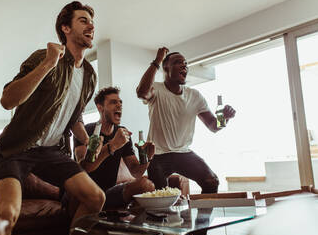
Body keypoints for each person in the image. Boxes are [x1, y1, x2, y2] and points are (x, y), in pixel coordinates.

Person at [0, 1, 105, 235]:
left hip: (52, 151)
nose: (91, 26)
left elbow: (74, 118)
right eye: (83, 21)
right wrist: (48, 64)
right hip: (16, 148)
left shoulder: (90, 76)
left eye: (92, 23)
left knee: (96, 197)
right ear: (66, 28)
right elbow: (7, 100)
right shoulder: (45, 57)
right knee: (6, 214)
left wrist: (90, 140)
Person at [136, 47, 236, 194]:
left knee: (211, 181)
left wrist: (225, 118)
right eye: (177, 62)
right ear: (166, 68)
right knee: (163, 195)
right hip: (158, 155)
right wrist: (157, 60)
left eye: (186, 63)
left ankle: (202, 218)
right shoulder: (156, 89)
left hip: (183, 153)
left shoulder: (195, 96)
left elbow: (214, 126)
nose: (184, 65)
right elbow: (141, 92)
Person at [74, 87, 155, 209]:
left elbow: (136, 172)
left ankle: (137, 227)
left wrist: (146, 158)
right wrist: (112, 145)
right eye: (113, 102)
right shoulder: (85, 132)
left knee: (147, 185)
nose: (119, 105)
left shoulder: (122, 133)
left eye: (120, 102)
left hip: (108, 192)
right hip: (86, 193)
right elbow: (84, 168)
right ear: (100, 107)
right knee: (143, 185)